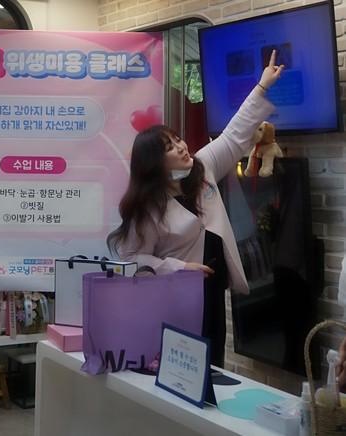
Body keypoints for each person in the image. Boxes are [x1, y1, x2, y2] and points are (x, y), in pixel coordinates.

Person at [107, 50, 285, 368]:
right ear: (153, 164)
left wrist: (261, 87)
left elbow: (234, 135)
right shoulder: (147, 207)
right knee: (184, 367)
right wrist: (178, 268)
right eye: (169, 147)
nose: (181, 147)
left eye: (178, 140)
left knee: (212, 363)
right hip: (175, 298)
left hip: (213, 288)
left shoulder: (202, 168)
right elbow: (133, 258)